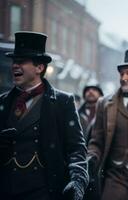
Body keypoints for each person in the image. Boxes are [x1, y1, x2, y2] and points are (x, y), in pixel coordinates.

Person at [0, 31, 88, 200]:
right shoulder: (3, 102)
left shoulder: (62, 102)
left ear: (39, 67)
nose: (14, 66)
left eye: (21, 61)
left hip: (43, 191)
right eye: (14, 61)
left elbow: (76, 149)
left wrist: (78, 181)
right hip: (5, 190)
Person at [87, 49, 128, 200]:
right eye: (121, 74)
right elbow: (97, 140)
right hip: (115, 174)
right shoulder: (104, 103)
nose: (123, 78)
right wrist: (91, 157)